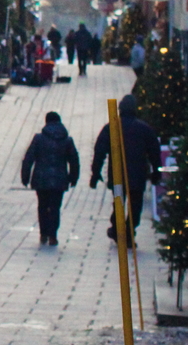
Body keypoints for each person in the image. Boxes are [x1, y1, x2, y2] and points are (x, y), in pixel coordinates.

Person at [88, 94, 162, 245]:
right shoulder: (145, 129)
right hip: (138, 174)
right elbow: (154, 151)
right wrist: (156, 171)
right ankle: (129, 232)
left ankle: (117, 229)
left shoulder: (111, 127)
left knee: (118, 203)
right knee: (135, 206)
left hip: (117, 174)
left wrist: (95, 173)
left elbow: (99, 151)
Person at [20, 111, 79, 246]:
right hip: (59, 180)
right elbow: (74, 160)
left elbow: (29, 157)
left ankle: (43, 233)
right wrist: (73, 177)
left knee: (42, 206)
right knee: (55, 207)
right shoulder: (67, 140)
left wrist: (25, 176)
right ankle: (53, 235)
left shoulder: (39, 138)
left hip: (41, 180)